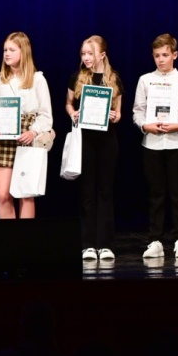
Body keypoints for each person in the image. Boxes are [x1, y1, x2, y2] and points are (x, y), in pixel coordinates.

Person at [132, 34, 178, 259]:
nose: (161, 60)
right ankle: (156, 240)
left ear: (174, 55)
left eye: (165, 55)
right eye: (157, 56)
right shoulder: (145, 80)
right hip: (152, 144)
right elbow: (137, 111)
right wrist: (145, 126)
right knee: (156, 194)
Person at [0, 32, 53, 221]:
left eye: (12, 50)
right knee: (3, 195)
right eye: (5, 50)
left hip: (27, 139)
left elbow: (46, 115)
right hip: (4, 140)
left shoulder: (37, 79)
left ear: (24, 51)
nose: (7, 53)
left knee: (25, 193)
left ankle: (25, 244)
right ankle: (9, 243)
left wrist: (33, 131)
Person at [65, 36, 124, 262]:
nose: (86, 58)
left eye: (90, 53)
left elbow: (118, 112)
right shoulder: (77, 78)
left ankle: (105, 244)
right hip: (85, 140)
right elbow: (68, 103)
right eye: (83, 53)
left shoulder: (114, 78)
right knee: (87, 192)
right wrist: (72, 113)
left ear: (102, 55)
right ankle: (88, 244)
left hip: (107, 140)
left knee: (105, 191)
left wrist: (115, 116)